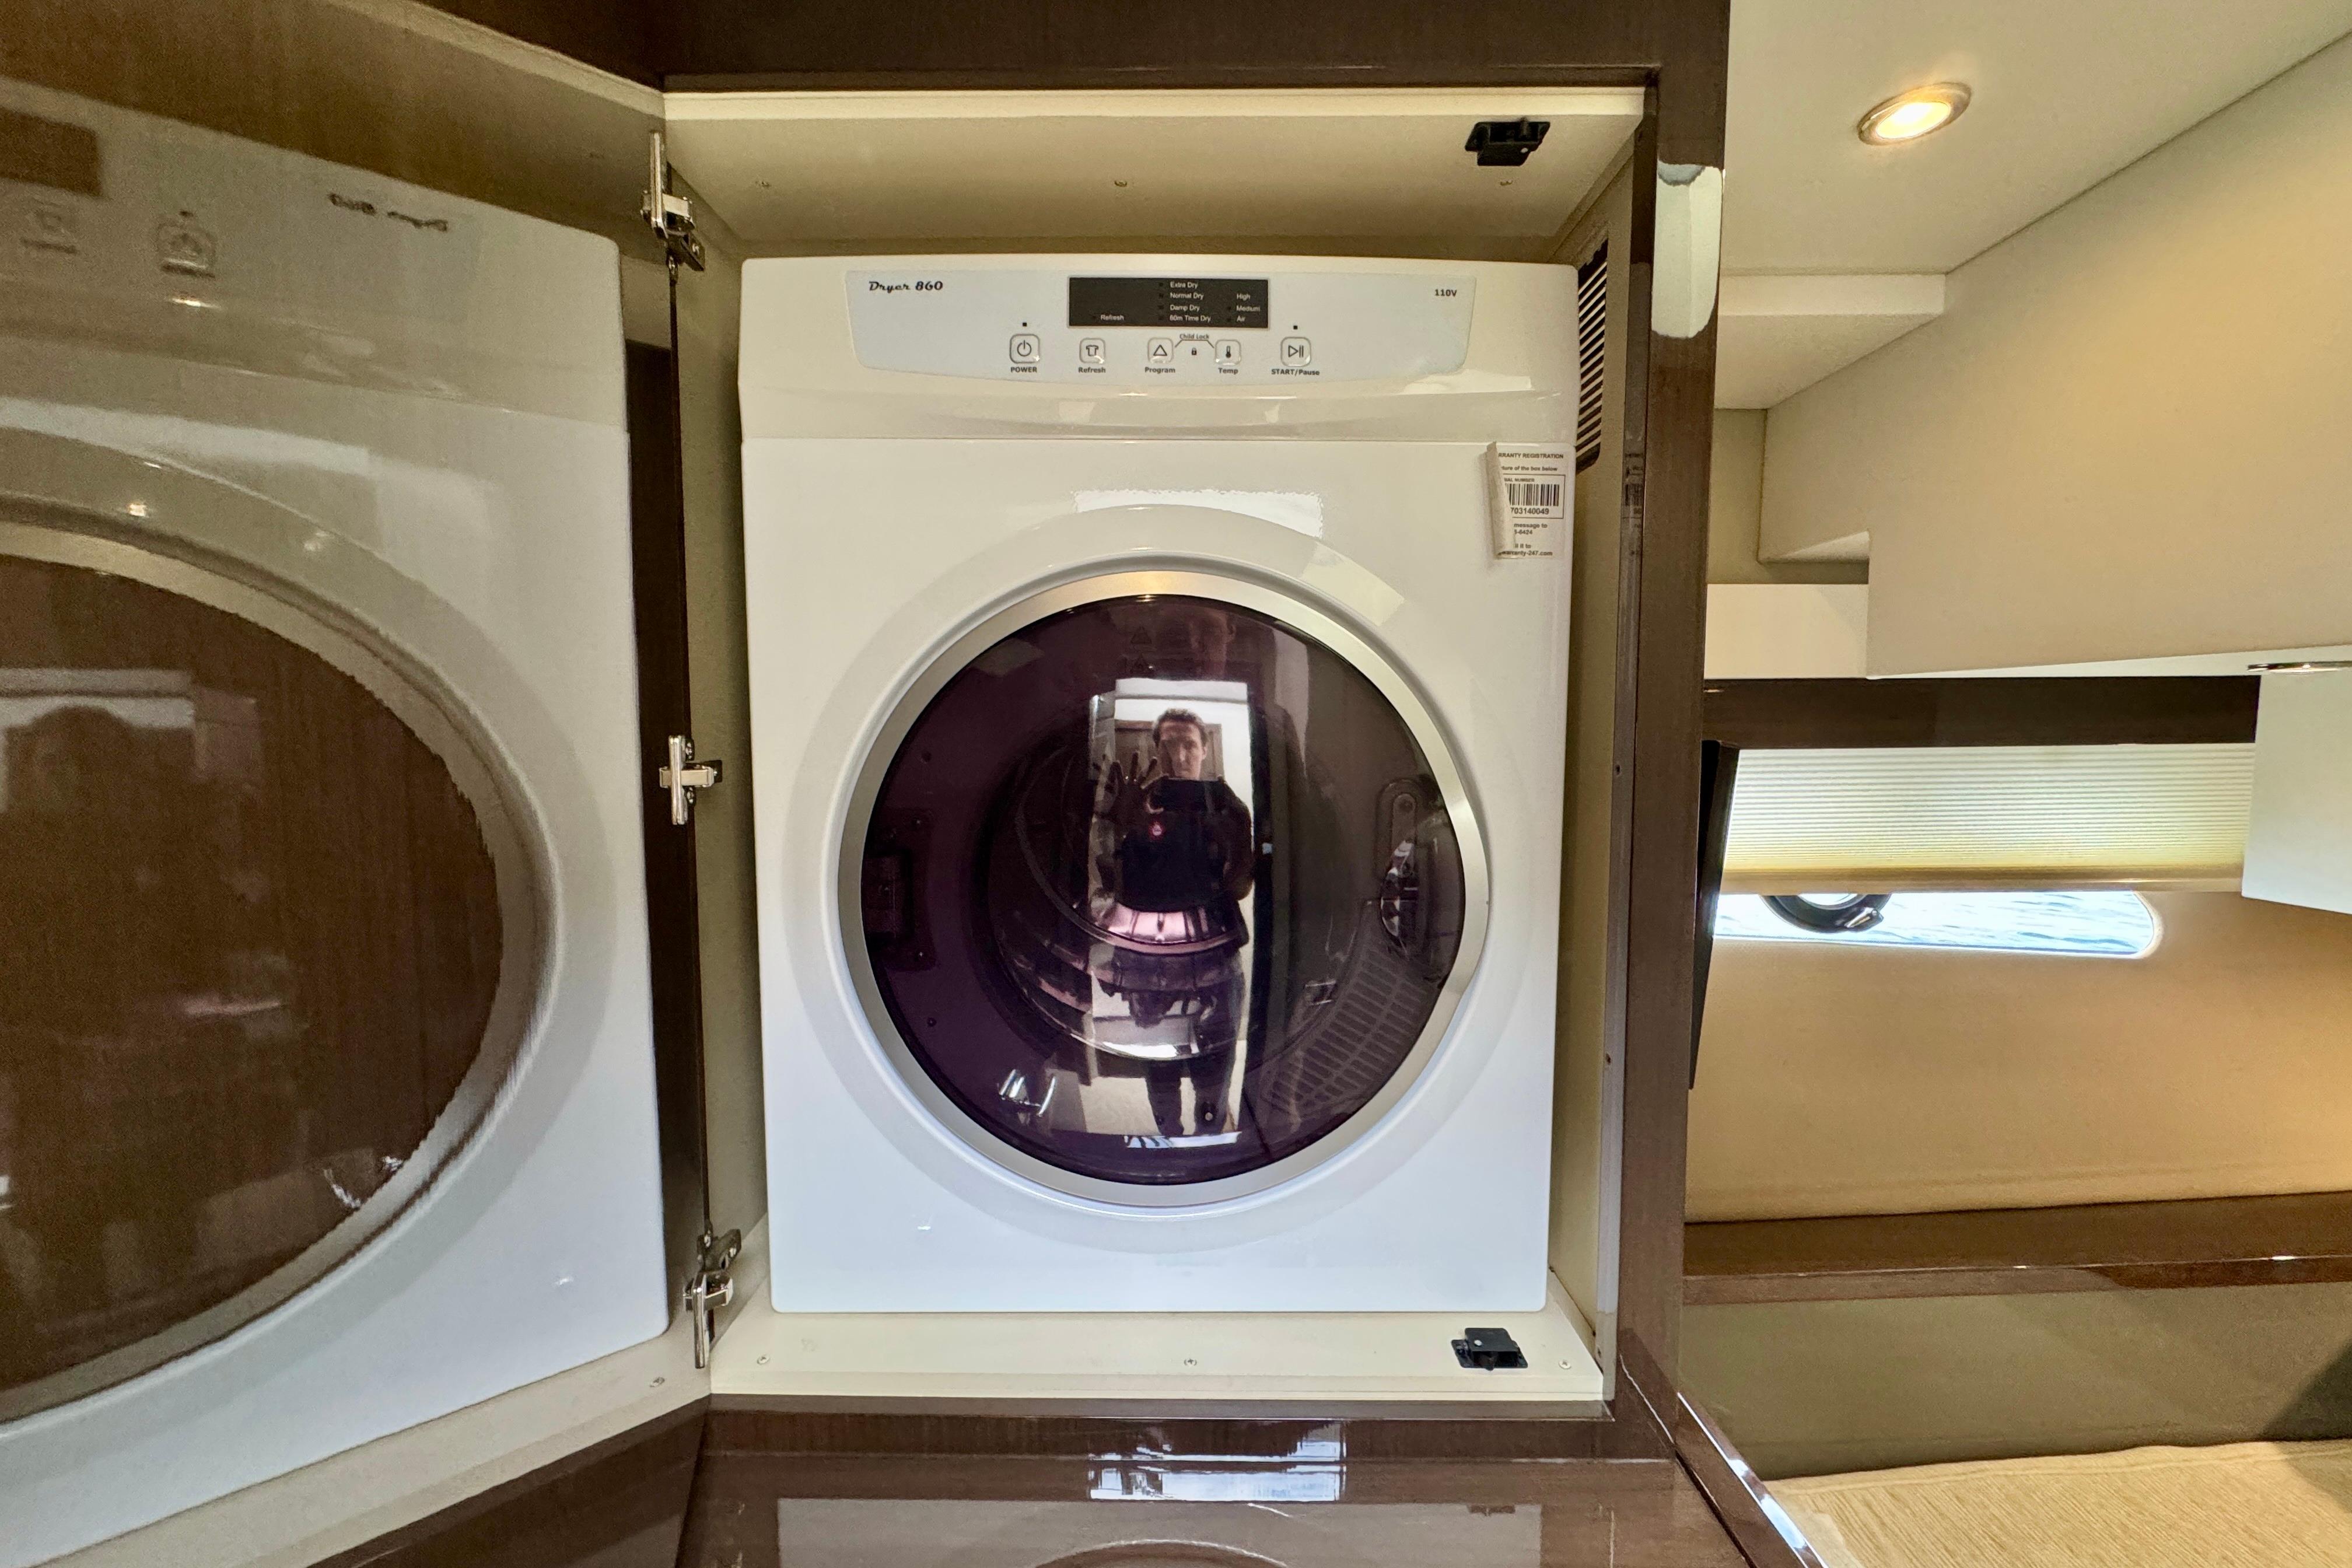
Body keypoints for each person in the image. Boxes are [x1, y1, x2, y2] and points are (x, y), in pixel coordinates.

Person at [1096, 708, 1254, 1138]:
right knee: (1160, 1060)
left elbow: (1240, 887)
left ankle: (1210, 1135)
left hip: (1214, 955)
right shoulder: (1137, 802)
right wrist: (1120, 829)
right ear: (1155, 749)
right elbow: (1112, 886)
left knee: (1216, 1060)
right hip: (1148, 958)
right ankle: (1169, 1135)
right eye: (1168, 745)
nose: (1179, 755)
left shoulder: (1226, 805)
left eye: (1189, 744)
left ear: (1204, 749)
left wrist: (1232, 840)